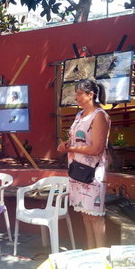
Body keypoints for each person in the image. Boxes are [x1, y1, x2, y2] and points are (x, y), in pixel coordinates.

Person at [57, 79, 111, 249]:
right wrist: (66, 145)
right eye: (76, 93)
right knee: (85, 215)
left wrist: (71, 148)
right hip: (77, 171)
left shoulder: (100, 116)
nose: (76, 97)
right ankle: (90, 252)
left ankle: (100, 255)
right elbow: (78, 139)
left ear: (91, 94)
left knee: (95, 215)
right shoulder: (80, 115)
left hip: (93, 173)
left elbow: (96, 148)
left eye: (80, 93)